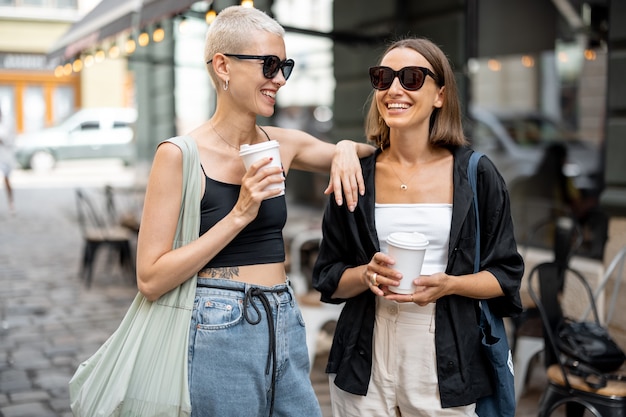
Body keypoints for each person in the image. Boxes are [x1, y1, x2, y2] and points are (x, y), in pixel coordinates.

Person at [135, 6, 374, 417]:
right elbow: (150, 278)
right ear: (223, 66)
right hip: (218, 326)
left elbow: (379, 158)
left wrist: (347, 148)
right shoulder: (179, 155)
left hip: (283, 314)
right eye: (269, 65)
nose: (279, 78)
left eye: (285, 66)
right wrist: (240, 214)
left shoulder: (285, 143)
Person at [312, 37, 524, 416]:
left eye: (411, 78)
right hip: (364, 350)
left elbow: (506, 275)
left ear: (440, 94)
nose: (394, 89)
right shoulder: (354, 175)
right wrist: (366, 275)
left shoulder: (476, 175)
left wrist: (450, 285)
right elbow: (328, 275)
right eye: (383, 77)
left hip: (446, 350)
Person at [0, 107, 15, 214]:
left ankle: (11, 204)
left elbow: (10, 140)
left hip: (5, 156)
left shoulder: (6, 126)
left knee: (6, 180)